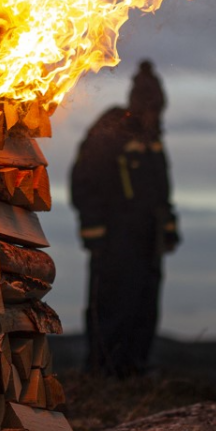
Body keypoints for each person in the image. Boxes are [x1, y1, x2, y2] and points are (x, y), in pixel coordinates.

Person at [69, 59, 179, 377]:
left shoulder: (153, 140)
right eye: (149, 110)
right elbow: (83, 180)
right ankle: (103, 372)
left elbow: (162, 191)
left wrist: (169, 229)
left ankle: (135, 368)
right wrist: (94, 232)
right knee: (112, 304)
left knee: (144, 306)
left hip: (148, 240)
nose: (153, 117)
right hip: (116, 238)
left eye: (157, 111)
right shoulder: (110, 130)